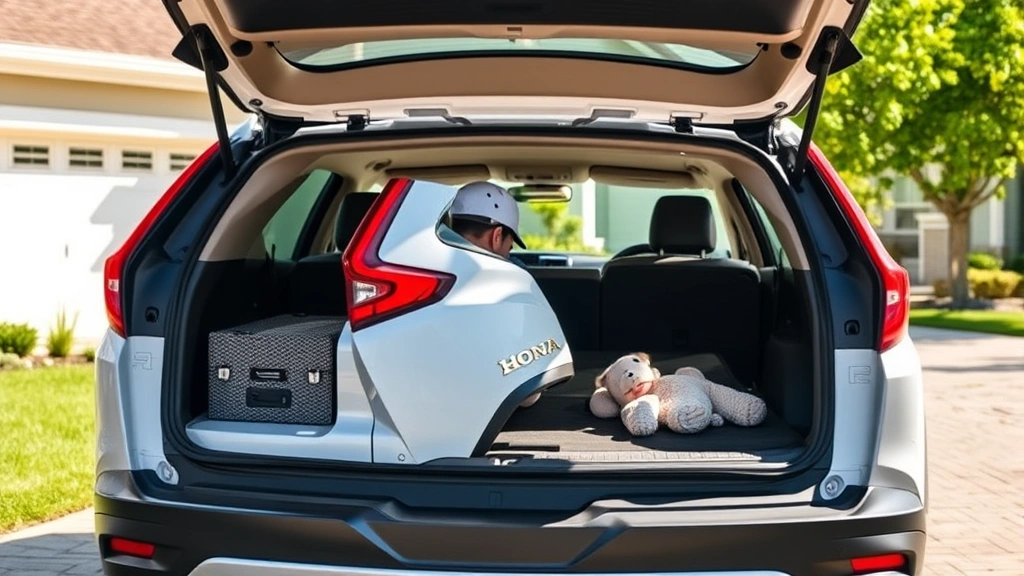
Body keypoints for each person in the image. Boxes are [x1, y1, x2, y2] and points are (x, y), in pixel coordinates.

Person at [447, 181, 527, 260]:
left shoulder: (437, 264)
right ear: (497, 237)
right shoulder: (509, 272)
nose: (508, 255)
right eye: (510, 247)